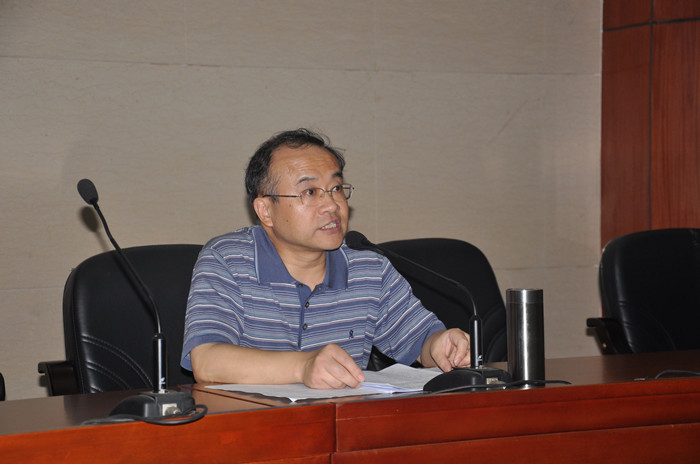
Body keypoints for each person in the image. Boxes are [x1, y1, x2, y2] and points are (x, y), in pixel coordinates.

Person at [180, 128, 471, 389]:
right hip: (253, 424)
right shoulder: (228, 260)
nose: (331, 205)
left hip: (342, 424)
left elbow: (420, 340)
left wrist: (440, 345)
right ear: (265, 210)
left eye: (336, 189)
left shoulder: (369, 269)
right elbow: (207, 361)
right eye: (309, 192)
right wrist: (303, 366)